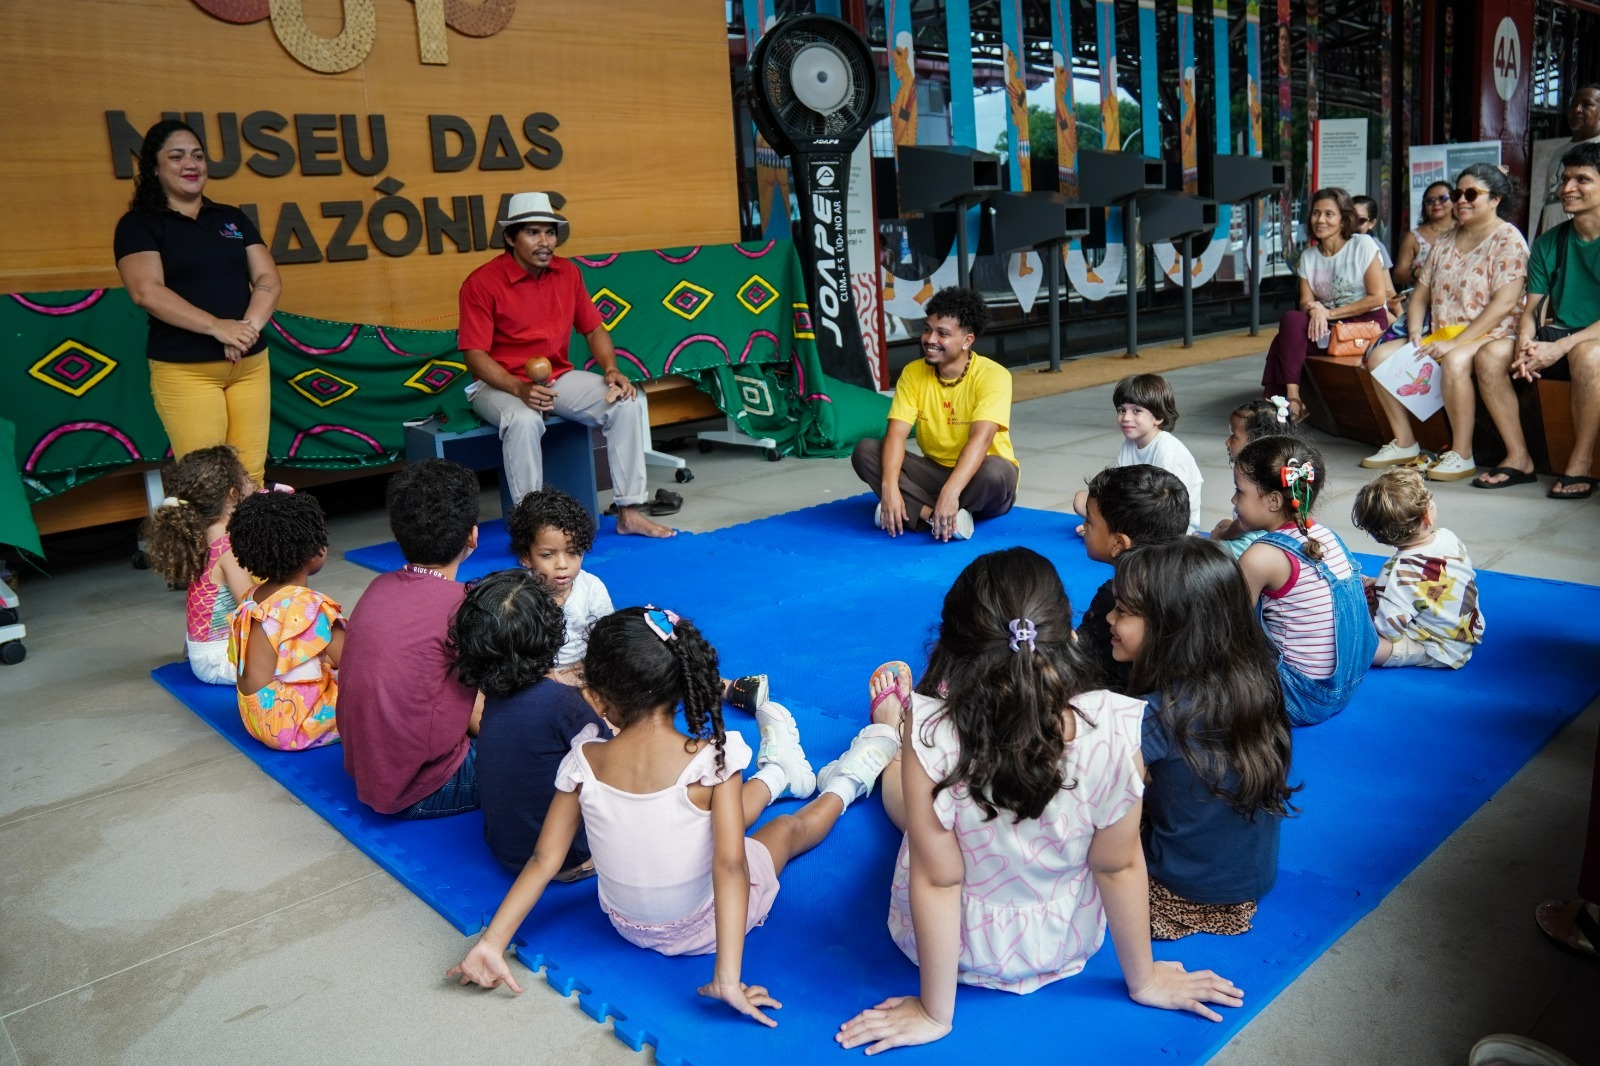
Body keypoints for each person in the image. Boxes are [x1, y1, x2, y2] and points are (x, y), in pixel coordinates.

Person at [835, 550, 1241, 1055]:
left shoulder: (932, 728)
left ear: (950, 646)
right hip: (1064, 941)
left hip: (955, 947)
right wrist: (1146, 980)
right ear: (1070, 638)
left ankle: (887, 733)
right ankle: (893, 740)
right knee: (931, 797)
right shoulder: (1116, 726)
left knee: (907, 788)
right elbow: (1117, 866)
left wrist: (934, 1012)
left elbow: (939, 880)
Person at [449, 606, 898, 1026]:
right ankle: (846, 781)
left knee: (710, 820)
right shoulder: (712, 760)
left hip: (626, 924)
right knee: (784, 830)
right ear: (681, 687)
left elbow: (543, 860)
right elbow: (730, 866)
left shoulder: (582, 761)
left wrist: (491, 942)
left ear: (598, 698)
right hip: (704, 926)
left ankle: (782, 773)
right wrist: (727, 978)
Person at [1107, 539, 1298, 939]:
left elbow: (1102, 811)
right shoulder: (1257, 682)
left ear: (1172, 625)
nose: (1109, 618)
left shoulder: (1155, 713)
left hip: (1181, 886)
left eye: (1122, 611)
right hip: (1250, 878)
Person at [456, 192, 673, 539]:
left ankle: (630, 513)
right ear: (510, 238)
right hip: (497, 384)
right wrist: (519, 388)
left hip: (556, 378)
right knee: (524, 420)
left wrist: (611, 369)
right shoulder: (481, 282)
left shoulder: (568, 272)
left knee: (625, 403)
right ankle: (532, 530)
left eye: (550, 232)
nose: (545, 242)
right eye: (533, 233)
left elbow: (594, 329)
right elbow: (475, 355)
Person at [114, 120, 282, 489]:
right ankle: (214, 533)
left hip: (250, 366)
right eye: (177, 157)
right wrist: (218, 327)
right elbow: (146, 292)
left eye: (198, 156)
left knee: (251, 477)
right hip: (187, 371)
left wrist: (246, 330)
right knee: (208, 485)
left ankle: (250, 531)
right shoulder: (138, 225)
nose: (191, 164)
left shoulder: (231, 218)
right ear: (154, 168)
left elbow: (267, 279)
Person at [1361, 165, 1529, 481]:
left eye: (1471, 194)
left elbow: (1504, 304)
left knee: (1454, 360)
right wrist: (1414, 332)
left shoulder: (1508, 239)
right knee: (1379, 356)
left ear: (1495, 199)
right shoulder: (1446, 239)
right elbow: (1421, 294)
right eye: (1457, 194)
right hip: (1443, 332)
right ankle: (1404, 441)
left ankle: (1461, 453)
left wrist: (1454, 343)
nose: (1461, 200)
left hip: (1494, 333)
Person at [337, 459, 482, 818]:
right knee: (552, 747)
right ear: (473, 537)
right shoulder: (462, 606)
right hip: (425, 787)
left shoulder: (377, 587)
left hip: (369, 772)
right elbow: (490, 708)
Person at [450, 569, 607, 877]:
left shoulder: (493, 699)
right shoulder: (563, 703)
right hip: (568, 856)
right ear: (552, 632)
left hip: (506, 851)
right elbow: (611, 764)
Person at [1471, 142, 1600, 499]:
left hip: (1589, 342)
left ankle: (1581, 462)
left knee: (1587, 355)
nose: (1567, 187)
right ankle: (1519, 457)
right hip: (1560, 334)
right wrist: (1526, 345)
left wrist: (1559, 347)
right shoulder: (1548, 243)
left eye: (1582, 179)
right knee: (1490, 355)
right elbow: (1531, 310)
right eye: (1565, 178)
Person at [851, 287, 1018, 542]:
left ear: (967, 341)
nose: (930, 339)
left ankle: (914, 509)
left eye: (943, 333)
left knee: (996, 472)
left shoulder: (994, 376)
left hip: (979, 479)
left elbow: (981, 440)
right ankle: (934, 517)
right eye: (928, 329)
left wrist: (951, 491)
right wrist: (889, 488)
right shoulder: (913, 373)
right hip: (933, 472)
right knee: (866, 451)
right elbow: (896, 434)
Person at [1233, 436, 1377, 726]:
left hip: (1296, 697)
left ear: (1274, 500)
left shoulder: (1260, 557)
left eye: (1239, 491)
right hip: (1347, 685)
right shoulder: (1326, 536)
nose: (1234, 501)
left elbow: (1228, 627)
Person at [1260, 188, 1391, 423]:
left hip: (1362, 325)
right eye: (1316, 213)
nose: (1321, 220)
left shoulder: (1363, 245)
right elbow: (1305, 301)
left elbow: (1377, 298)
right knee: (1292, 320)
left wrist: (1328, 312)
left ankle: (1284, 402)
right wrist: (1315, 309)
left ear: (1344, 218)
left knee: (1282, 342)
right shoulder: (1309, 256)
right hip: (1327, 327)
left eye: (1329, 214)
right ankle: (1294, 398)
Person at [226, 490, 343, 751]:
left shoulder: (251, 596)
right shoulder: (309, 606)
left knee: (330, 665)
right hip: (293, 726)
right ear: (313, 551)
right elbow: (357, 663)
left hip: (257, 718)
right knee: (381, 693)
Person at [140, 445, 257, 684]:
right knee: (303, 654)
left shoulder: (201, 536)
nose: (252, 481)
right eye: (246, 476)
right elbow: (252, 607)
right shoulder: (228, 548)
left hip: (205, 653)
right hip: (219, 658)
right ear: (233, 494)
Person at [1351, 467, 1484, 669]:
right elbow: (1434, 582)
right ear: (1427, 516)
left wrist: (1372, 607)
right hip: (1469, 627)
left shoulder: (1397, 573)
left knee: (1369, 647)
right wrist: (1383, 588)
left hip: (1441, 647)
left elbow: (1388, 632)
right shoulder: (1447, 537)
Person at [1075, 464, 1192, 693]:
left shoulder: (1111, 600)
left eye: (1089, 521)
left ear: (1119, 544)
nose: (1085, 527)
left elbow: (1077, 661)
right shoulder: (1196, 590)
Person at [1072, 374, 1203, 532]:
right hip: (1136, 511)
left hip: (1167, 521)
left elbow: (1168, 506)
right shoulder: (1129, 444)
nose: (1126, 417)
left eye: (1136, 411)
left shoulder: (1167, 450)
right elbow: (1117, 488)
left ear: (1158, 416)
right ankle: (1107, 529)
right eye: (1121, 410)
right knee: (1081, 499)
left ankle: (1110, 530)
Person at [1210, 397, 1299, 558]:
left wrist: (1220, 535)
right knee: (1223, 524)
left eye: (1233, 436)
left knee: (1205, 550)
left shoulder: (1254, 473)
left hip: (1256, 544)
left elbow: (1243, 524)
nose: (1227, 442)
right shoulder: (1281, 468)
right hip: (1260, 534)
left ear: (1256, 442)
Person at [1533, 84, 1600, 237]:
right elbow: (1548, 201)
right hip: (1552, 240)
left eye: (1587, 104)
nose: (1577, 110)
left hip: (1583, 242)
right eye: (1573, 104)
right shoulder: (1559, 153)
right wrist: (1537, 240)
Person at [1392, 180, 1456, 291]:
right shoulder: (1413, 237)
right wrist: (1417, 273)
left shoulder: (1466, 229)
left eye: (1443, 198)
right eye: (1430, 200)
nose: (1436, 203)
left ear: (1454, 201)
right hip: (1423, 298)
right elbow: (1398, 275)